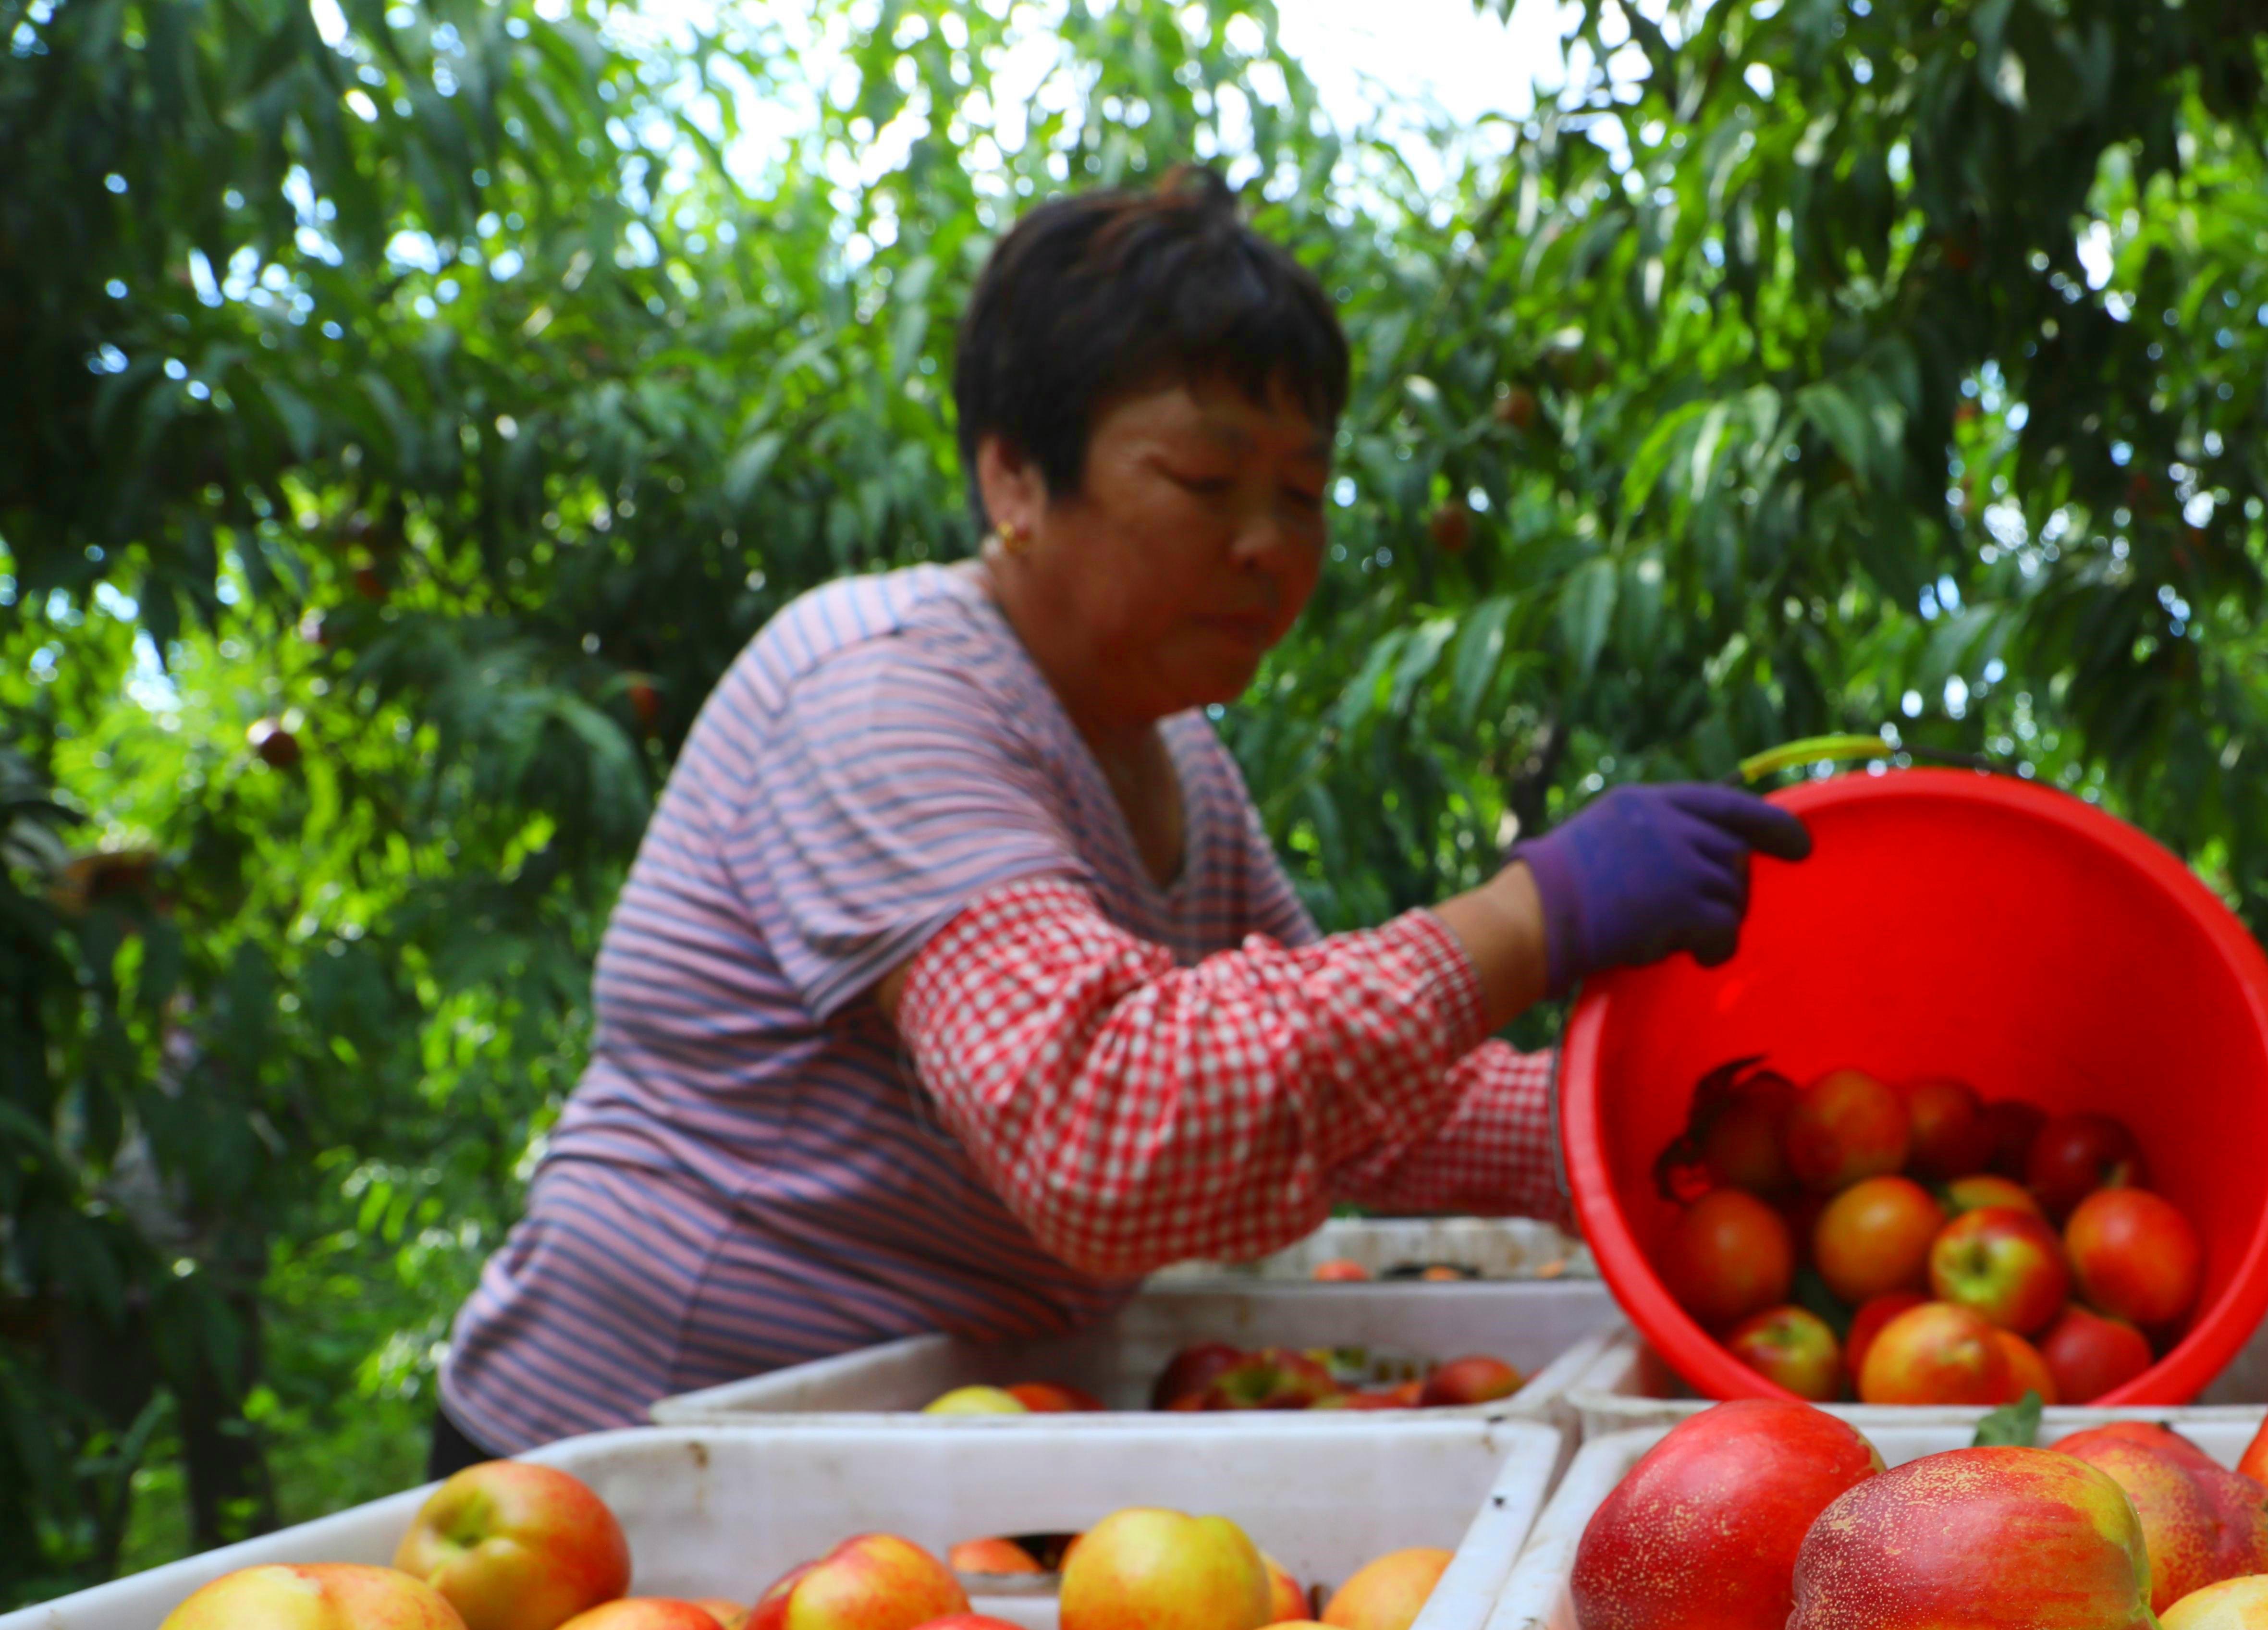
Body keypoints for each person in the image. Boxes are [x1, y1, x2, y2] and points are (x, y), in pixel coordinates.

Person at [432, 169, 1809, 1466]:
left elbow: (1351, 1107)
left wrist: (1681, 1134)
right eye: (1206, 485)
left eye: (1303, 494)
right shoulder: (881, 692)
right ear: (1014, 480)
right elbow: (1100, 1128)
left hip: (923, 1455)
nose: (1270, 546)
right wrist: (1529, 917)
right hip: (632, 1457)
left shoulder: (1176, 759)